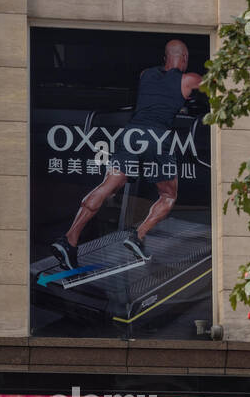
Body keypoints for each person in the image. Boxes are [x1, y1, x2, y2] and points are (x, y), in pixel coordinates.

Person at [51, 39, 203, 269]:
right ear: (184, 59)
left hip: (131, 134)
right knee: (168, 196)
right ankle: (138, 236)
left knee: (107, 185)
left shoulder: (145, 74)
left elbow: (156, 94)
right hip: (157, 136)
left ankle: (69, 240)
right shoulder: (189, 79)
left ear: (164, 58)